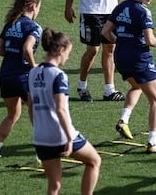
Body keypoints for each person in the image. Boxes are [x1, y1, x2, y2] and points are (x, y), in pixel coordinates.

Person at [28, 28, 101, 195]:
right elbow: (60, 109)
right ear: (60, 50)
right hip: (60, 134)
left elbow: (31, 106)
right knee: (94, 161)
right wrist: (69, 139)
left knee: (54, 186)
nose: (68, 57)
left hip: (40, 137)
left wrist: (37, 130)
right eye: (68, 53)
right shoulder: (58, 75)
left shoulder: (32, 73)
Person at [102, 0, 156, 154]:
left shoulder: (120, 7)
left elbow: (106, 31)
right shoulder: (143, 12)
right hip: (139, 59)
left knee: (137, 87)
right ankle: (152, 142)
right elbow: (149, 40)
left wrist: (122, 41)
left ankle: (123, 121)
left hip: (121, 58)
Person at [0, 0, 42, 170]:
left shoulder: (11, 23)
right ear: (34, 6)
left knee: (12, 115)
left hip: (6, 76)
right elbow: (27, 49)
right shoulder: (34, 27)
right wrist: (34, 67)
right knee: (38, 115)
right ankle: (40, 155)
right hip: (24, 77)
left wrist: (12, 55)